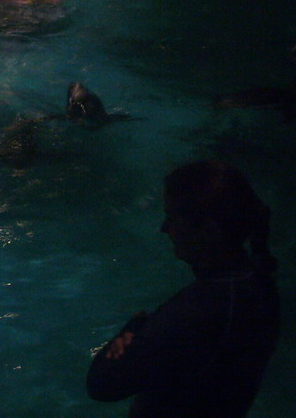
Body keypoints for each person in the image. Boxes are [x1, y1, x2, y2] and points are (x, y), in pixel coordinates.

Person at [86, 160, 280, 417]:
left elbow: (101, 385)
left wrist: (133, 328)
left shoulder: (196, 312)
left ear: (209, 229)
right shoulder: (259, 285)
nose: (165, 229)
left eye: (173, 218)